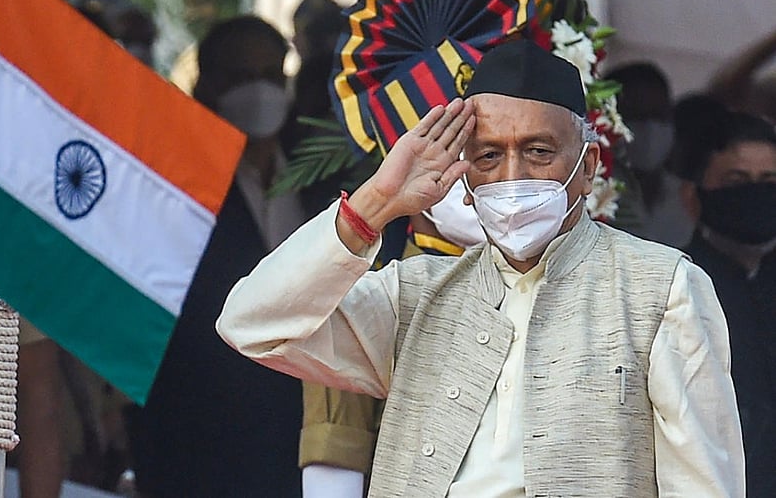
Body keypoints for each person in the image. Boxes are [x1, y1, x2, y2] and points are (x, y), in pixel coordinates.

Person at [217, 39, 745, 496]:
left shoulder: (661, 288)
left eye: (538, 151)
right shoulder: (416, 294)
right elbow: (253, 326)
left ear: (587, 169)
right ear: (462, 178)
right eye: (488, 156)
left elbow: (702, 485)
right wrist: (376, 202)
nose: (512, 176)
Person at [129, 15, 305, 497]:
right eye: (241, 76)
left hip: (299, 429)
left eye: (271, 75)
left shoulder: (319, 175)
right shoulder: (171, 183)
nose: (260, 91)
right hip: (195, 428)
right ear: (207, 83)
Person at [681, 111, 776, 497]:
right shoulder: (674, 288)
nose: (755, 193)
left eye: (769, 182)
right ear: (692, 197)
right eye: (737, 181)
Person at [604, 62, 693, 247]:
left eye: (658, 116)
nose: (650, 128)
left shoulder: (687, 198)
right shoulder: (592, 193)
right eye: (636, 116)